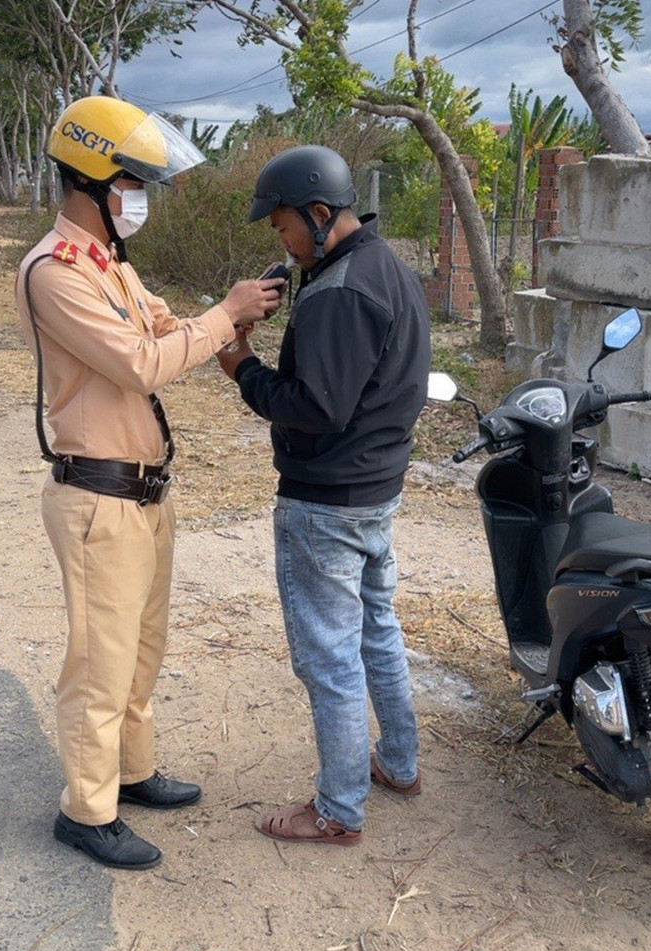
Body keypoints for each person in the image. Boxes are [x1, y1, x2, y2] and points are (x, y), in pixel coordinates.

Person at [15, 96, 283, 870]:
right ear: (94, 178)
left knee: (140, 649)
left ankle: (129, 772)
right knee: (99, 662)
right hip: (97, 497)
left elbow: (165, 333)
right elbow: (140, 364)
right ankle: (87, 809)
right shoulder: (55, 275)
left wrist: (232, 317)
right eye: (134, 180)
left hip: (142, 493)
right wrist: (220, 316)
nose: (143, 197)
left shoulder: (111, 267)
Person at [217, 145, 432, 845]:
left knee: (329, 656)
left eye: (282, 229)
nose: (279, 243)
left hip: (327, 503)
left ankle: (339, 808)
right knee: (375, 630)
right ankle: (397, 762)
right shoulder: (380, 267)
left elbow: (316, 406)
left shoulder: (339, 292)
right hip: (376, 491)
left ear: (318, 214)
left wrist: (243, 365)